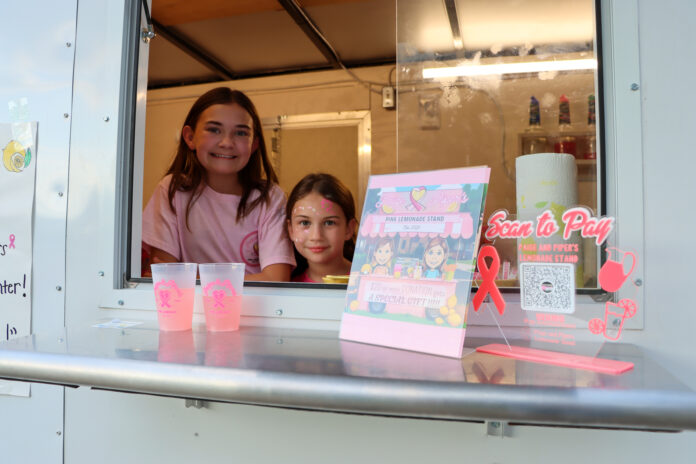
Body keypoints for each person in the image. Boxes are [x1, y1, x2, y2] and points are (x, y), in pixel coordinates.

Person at [142, 87, 295, 281]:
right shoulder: (172, 190)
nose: (227, 142)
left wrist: (193, 277)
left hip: (257, 310)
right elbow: (166, 277)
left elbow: (276, 279)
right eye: (214, 130)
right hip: (193, 310)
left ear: (254, 144)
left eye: (240, 133)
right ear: (190, 137)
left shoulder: (270, 197)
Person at [286, 173, 357, 283]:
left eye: (329, 223)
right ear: (291, 230)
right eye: (305, 222)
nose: (316, 236)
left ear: (349, 228)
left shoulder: (369, 283)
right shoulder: (288, 290)